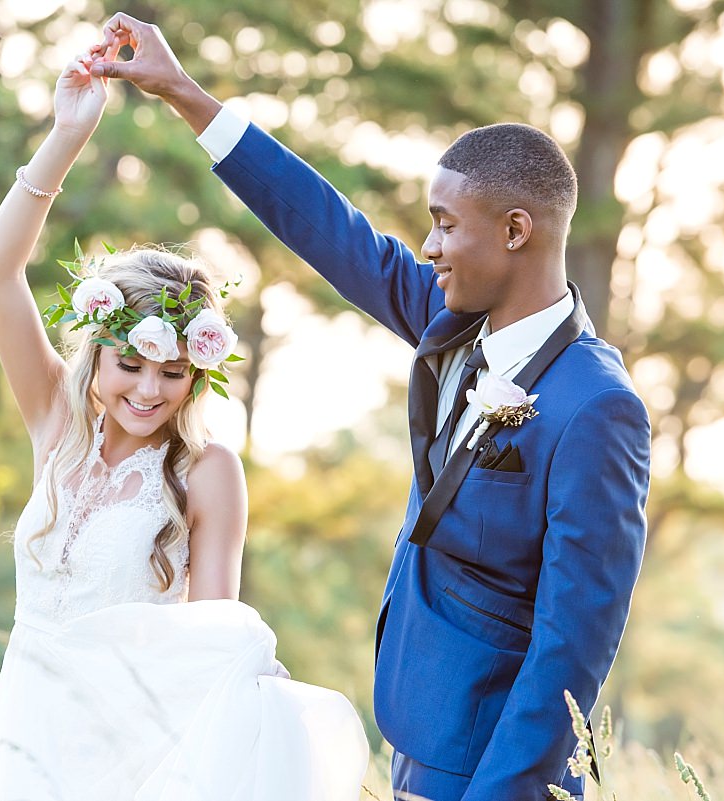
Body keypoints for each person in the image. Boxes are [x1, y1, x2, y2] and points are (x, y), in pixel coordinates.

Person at [89, 15, 651, 801]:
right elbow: (332, 230)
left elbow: (571, 647)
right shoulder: (449, 325)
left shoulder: (597, 408)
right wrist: (185, 95)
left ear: (516, 231)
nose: (429, 247)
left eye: (447, 225)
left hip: (492, 775)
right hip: (416, 743)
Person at [0, 53, 368, 801]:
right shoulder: (55, 419)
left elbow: (211, 641)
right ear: (98, 351)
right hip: (23, 742)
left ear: (199, 372)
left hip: (133, 756)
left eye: (174, 371)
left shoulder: (205, 469)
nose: (150, 389)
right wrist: (66, 133)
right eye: (130, 364)